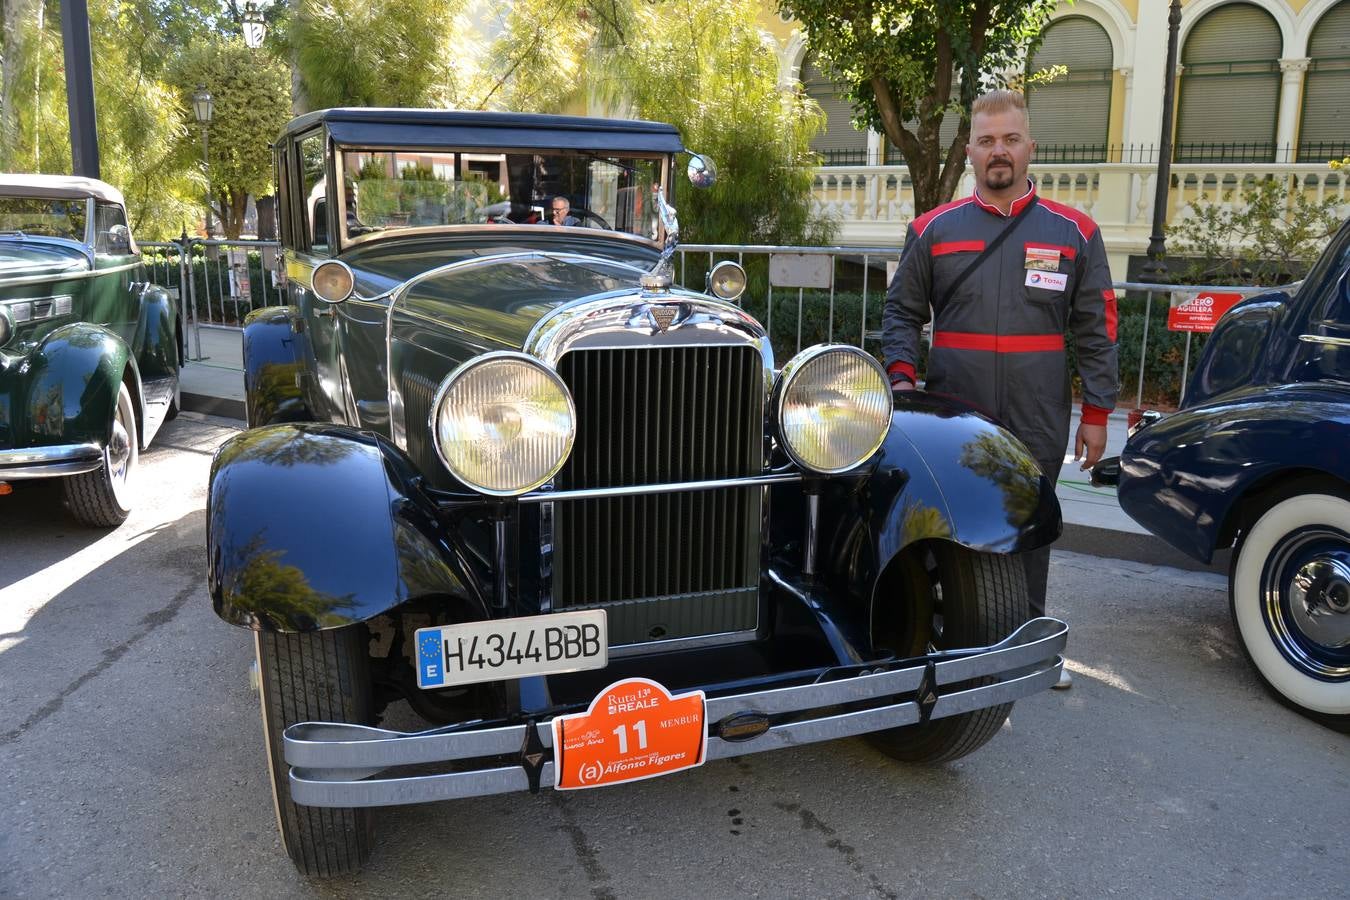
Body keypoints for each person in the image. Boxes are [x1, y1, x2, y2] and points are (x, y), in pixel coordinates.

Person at [882, 89, 1119, 689]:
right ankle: (952, 641)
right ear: (970, 154)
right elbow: (901, 314)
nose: (999, 152)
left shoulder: (1075, 232)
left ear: (1030, 147)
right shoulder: (933, 230)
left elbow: (1096, 327)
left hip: (1037, 405)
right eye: (987, 141)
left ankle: (1028, 646)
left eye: (1011, 139)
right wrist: (903, 381)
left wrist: (1097, 411)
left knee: (1028, 524)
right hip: (952, 409)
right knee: (949, 520)